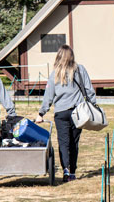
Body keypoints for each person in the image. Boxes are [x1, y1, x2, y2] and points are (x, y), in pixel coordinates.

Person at [36, 44, 96, 182]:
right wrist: (93, 104)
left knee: (63, 142)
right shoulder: (80, 70)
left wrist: (41, 113)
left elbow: (48, 96)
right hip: (78, 112)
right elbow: (89, 89)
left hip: (61, 113)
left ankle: (66, 170)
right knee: (74, 142)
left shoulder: (54, 74)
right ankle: (73, 171)